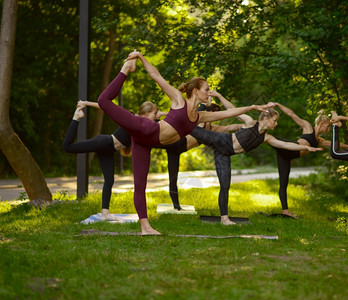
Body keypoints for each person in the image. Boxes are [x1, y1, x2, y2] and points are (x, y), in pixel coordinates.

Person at [97, 50, 272, 235]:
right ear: (195, 90)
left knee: (140, 184)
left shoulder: (199, 116)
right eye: (206, 89)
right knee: (103, 101)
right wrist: (140, 58)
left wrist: (253, 107)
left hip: (146, 143)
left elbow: (229, 113)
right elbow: (156, 76)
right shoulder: (178, 100)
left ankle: (145, 227)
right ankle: (125, 69)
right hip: (144, 129)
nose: (208, 92)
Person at [190, 92, 324, 225]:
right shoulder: (250, 122)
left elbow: (285, 145)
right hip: (221, 141)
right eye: (275, 120)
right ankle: (197, 107)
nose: (276, 124)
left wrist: (306, 148)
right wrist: (219, 96)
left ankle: (224, 219)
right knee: (190, 127)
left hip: (224, 154)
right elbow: (232, 110)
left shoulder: (266, 138)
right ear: (266, 119)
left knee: (225, 186)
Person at [63, 100, 163, 221]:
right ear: (146, 113)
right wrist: (86, 103)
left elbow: (165, 121)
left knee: (109, 179)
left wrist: (166, 113)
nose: (156, 116)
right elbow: (106, 107)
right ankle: (76, 118)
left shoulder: (144, 124)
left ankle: (105, 214)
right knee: (68, 147)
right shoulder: (130, 117)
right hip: (103, 142)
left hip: (109, 150)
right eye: (155, 113)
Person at [269, 103, 348, 218]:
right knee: (267, 138)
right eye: (327, 126)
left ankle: (285, 211)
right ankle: (253, 130)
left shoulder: (318, 140)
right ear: (321, 124)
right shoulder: (307, 127)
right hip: (288, 149)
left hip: (286, 156)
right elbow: (292, 114)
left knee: (284, 183)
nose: (328, 129)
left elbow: (334, 144)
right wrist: (277, 105)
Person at [156, 104, 243, 210]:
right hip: (176, 143)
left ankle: (176, 207)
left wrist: (246, 126)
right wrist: (205, 103)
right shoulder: (199, 121)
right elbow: (193, 113)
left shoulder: (212, 129)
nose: (215, 117)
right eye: (213, 114)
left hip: (175, 152)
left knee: (173, 178)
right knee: (153, 137)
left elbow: (229, 127)